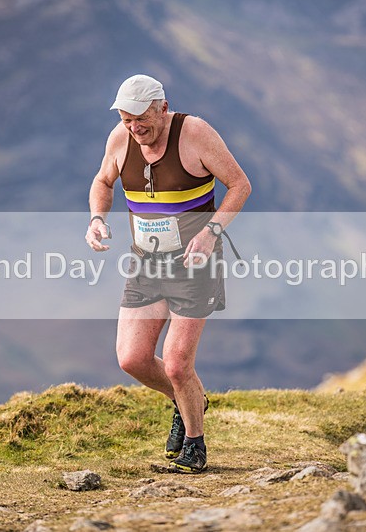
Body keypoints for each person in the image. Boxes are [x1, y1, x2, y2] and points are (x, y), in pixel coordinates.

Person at [85, 74, 251, 473]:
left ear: (162, 107)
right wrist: (96, 218)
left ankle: (195, 444)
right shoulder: (120, 139)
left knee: (177, 364)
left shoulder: (194, 133)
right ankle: (186, 397)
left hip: (196, 263)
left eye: (140, 119)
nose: (134, 128)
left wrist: (212, 233)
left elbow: (240, 185)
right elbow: (103, 180)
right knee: (132, 358)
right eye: (126, 120)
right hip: (146, 263)